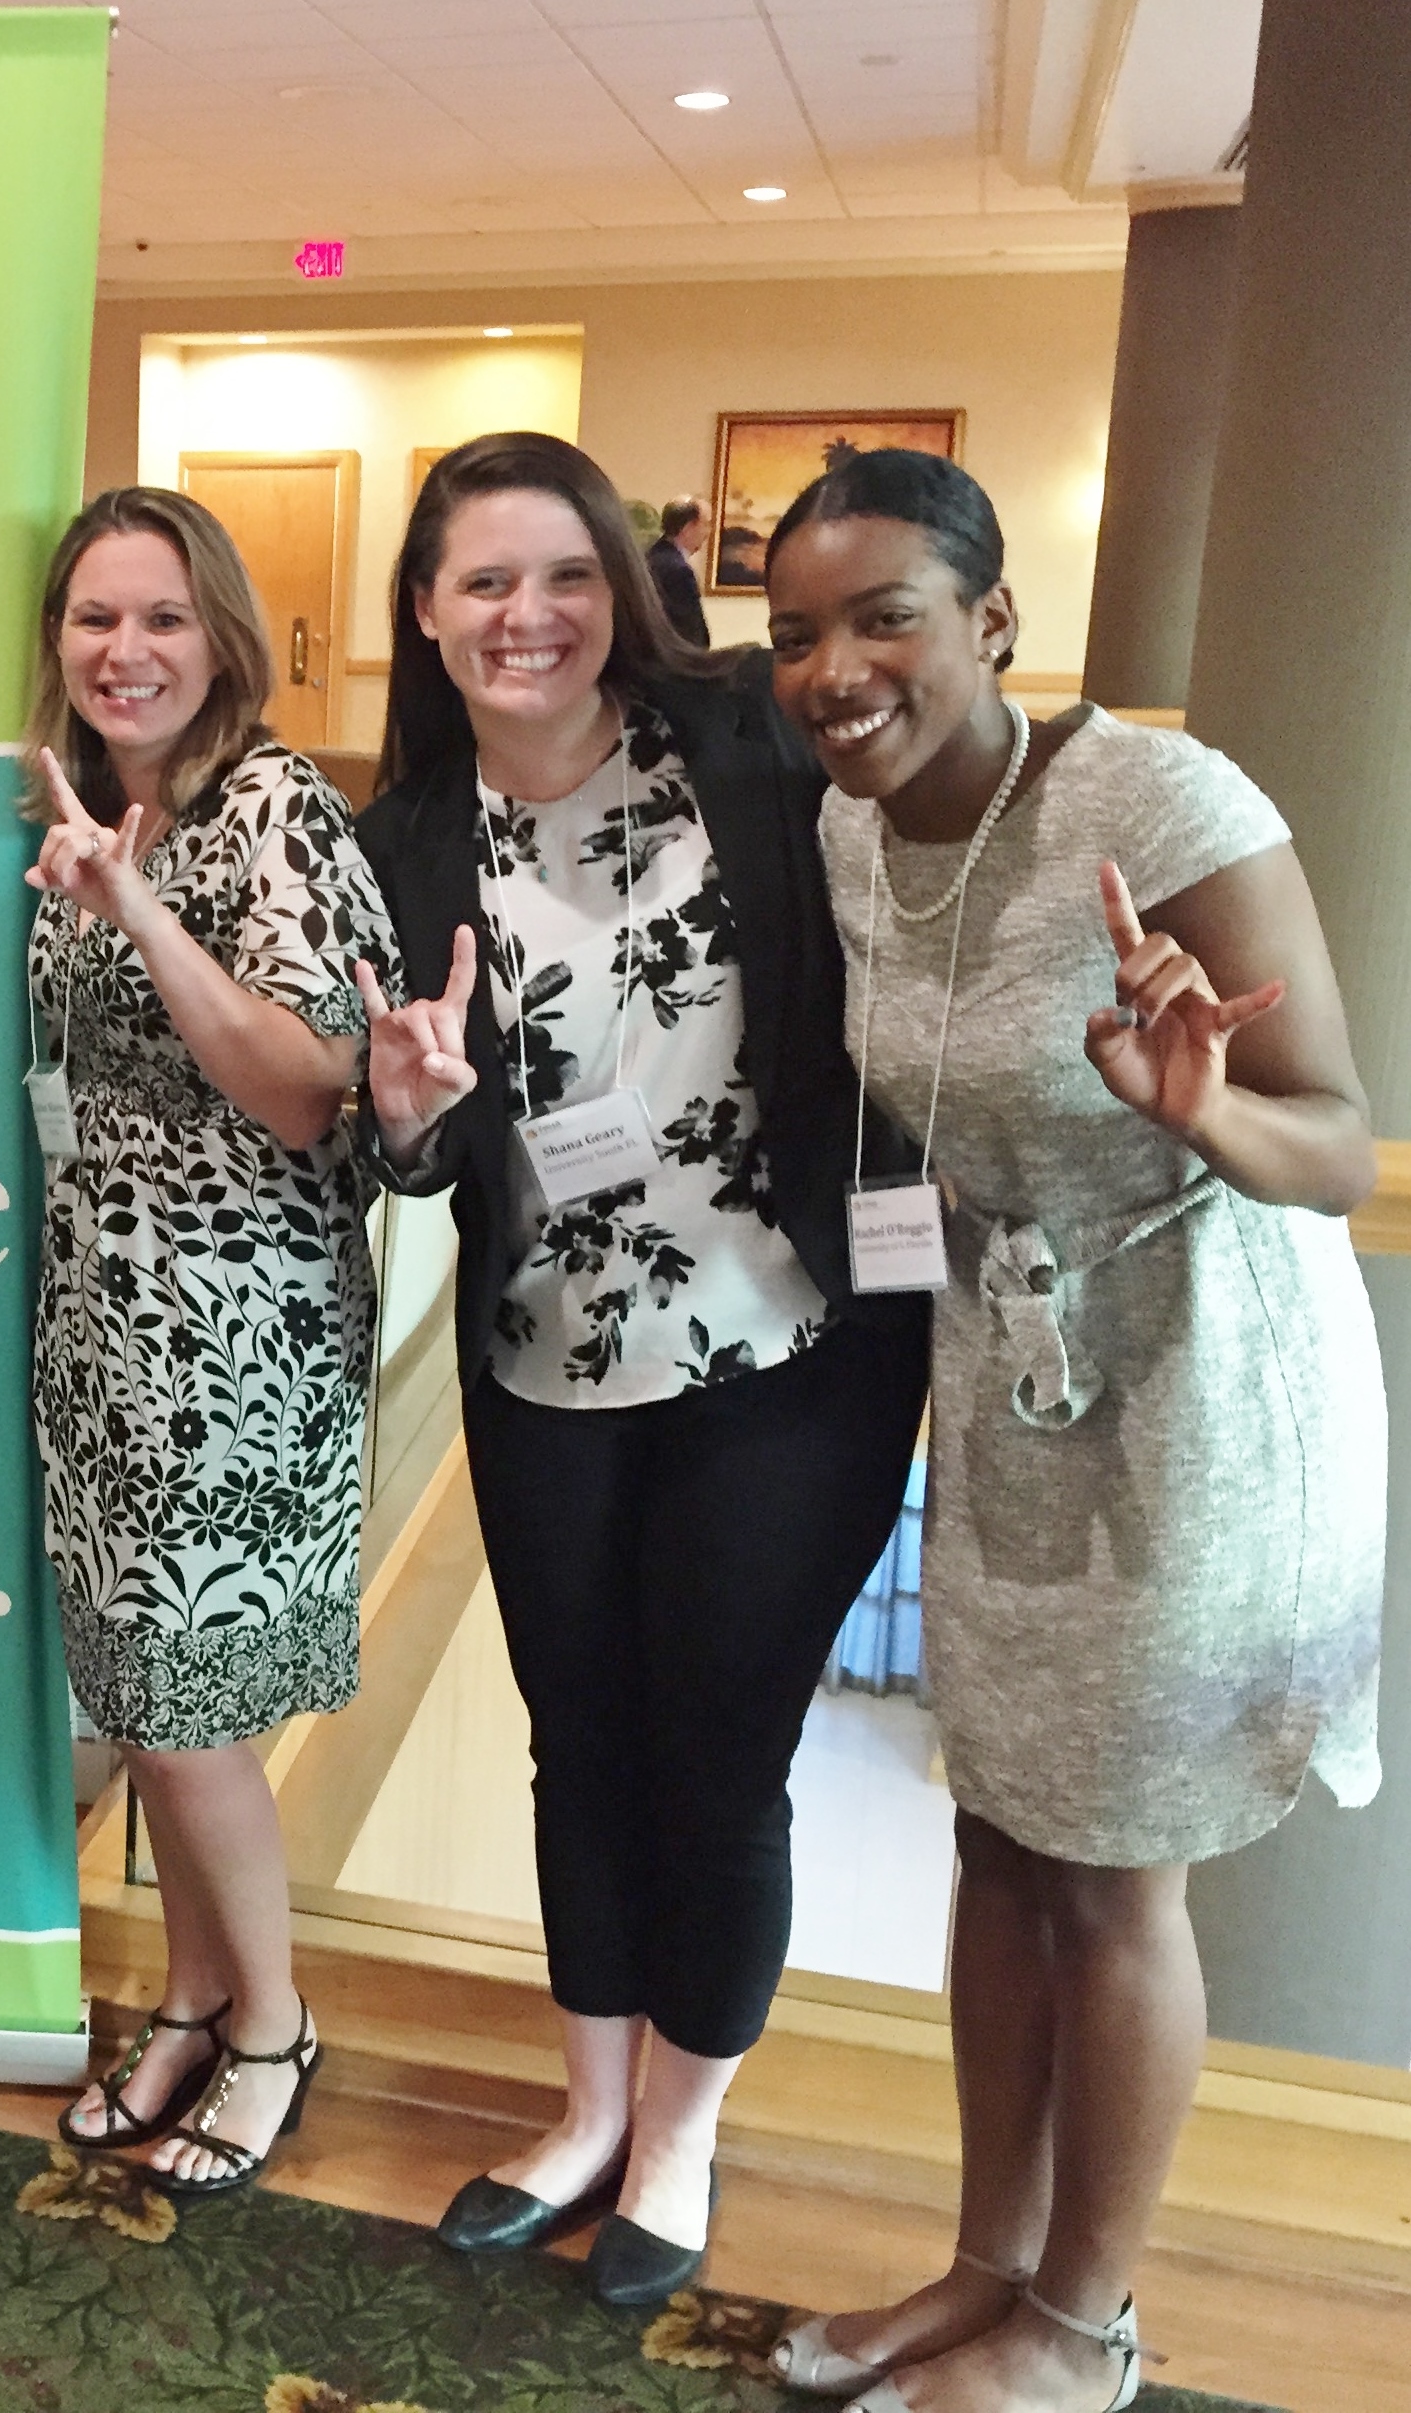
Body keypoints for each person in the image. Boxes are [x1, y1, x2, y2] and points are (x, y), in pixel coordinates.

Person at [760, 451, 1383, 2413]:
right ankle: (982, 2268)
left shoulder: (1153, 804)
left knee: (1113, 1869)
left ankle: (1082, 2324)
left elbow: (1333, 1142)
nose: (832, 665)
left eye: (882, 618)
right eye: (793, 630)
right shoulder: (850, 832)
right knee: (996, 1838)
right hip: (1004, 1373)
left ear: (989, 624)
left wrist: (1196, 1106)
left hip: (1198, 1387)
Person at [348, 432, 930, 2307]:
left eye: (562, 573)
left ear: (619, 582)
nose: (527, 614)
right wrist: (413, 1121)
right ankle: (586, 2104)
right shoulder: (407, 840)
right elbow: (414, 1148)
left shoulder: (750, 755)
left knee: (717, 1754)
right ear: (426, 617)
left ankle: (681, 2126)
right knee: (573, 1746)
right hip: (544, 1362)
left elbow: (932, 893)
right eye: (483, 583)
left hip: (789, 1351)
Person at [24, 487, 400, 2196]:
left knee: (191, 1715)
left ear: (222, 635)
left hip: (234, 1331)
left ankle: (271, 2027)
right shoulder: (105, 807)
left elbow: (306, 1091)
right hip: (96, 1315)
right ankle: (185, 1995)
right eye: (95, 617)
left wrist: (137, 917)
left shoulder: (273, 813)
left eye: (161, 616)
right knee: (139, 1682)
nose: (126, 649)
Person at [647, 498, 712, 649]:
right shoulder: (678, 572)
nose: (708, 532)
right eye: (706, 524)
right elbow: (689, 635)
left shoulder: (651, 557)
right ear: (688, 528)